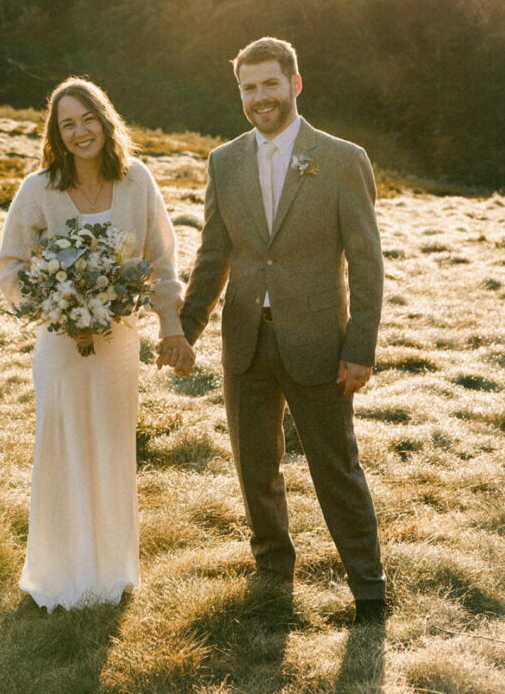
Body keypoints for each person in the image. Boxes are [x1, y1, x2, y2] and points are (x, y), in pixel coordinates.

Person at [158, 36, 386, 625]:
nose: (260, 97)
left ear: (295, 83)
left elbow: (366, 261)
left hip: (319, 341)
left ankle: (369, 589)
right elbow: (214, 254)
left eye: (269, 84)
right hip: (246, 341)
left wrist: (359, 347)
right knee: (255, 468)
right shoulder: (224, 160)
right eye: (248, 87)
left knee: (336, 468)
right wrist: (185, 329)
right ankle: (272, 578)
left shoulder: (341, 158)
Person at [0, 76, 191, 611]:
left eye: (88, 119)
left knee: (111, 447)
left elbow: (162, 261)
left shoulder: (137, 181)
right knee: (62, 449)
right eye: (68, 124)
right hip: (60, 346)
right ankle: (60, 575)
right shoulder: (39, 188)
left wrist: (170, 325)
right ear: (56, 135)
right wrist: (50, 306)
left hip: (118, 344)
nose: (80, 131)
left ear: (105, 122)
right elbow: (10, 266)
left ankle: (111, 575)